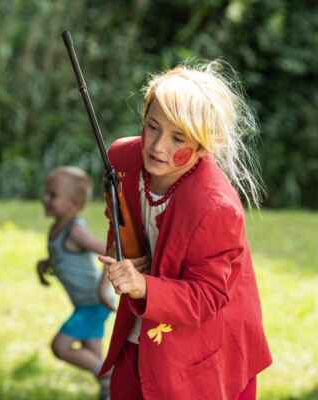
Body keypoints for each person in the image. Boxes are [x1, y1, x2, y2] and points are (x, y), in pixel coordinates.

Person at [97, 61, 272, 399]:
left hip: (204, 350)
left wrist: (143, 285)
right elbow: (116, 216)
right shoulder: (122, 160)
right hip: (142, 331)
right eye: (152, 127)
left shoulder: (216, 206)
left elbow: (208, 295)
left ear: (206, 146)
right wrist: (122, 251)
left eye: (178, 138)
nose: (158, 146)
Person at [36, 166, 116, 400]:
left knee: (60, 347)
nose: (45, 198)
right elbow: (62, 256)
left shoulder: (75, 231)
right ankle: (110, 391)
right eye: (45, 193)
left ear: (73, 204)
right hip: (85, 304)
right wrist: (45, 264)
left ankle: (110, 376)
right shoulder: (57, 228)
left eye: (52, 195)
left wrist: (104, 287)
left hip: (94, 303)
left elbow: (110, 251)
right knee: (92, 354)